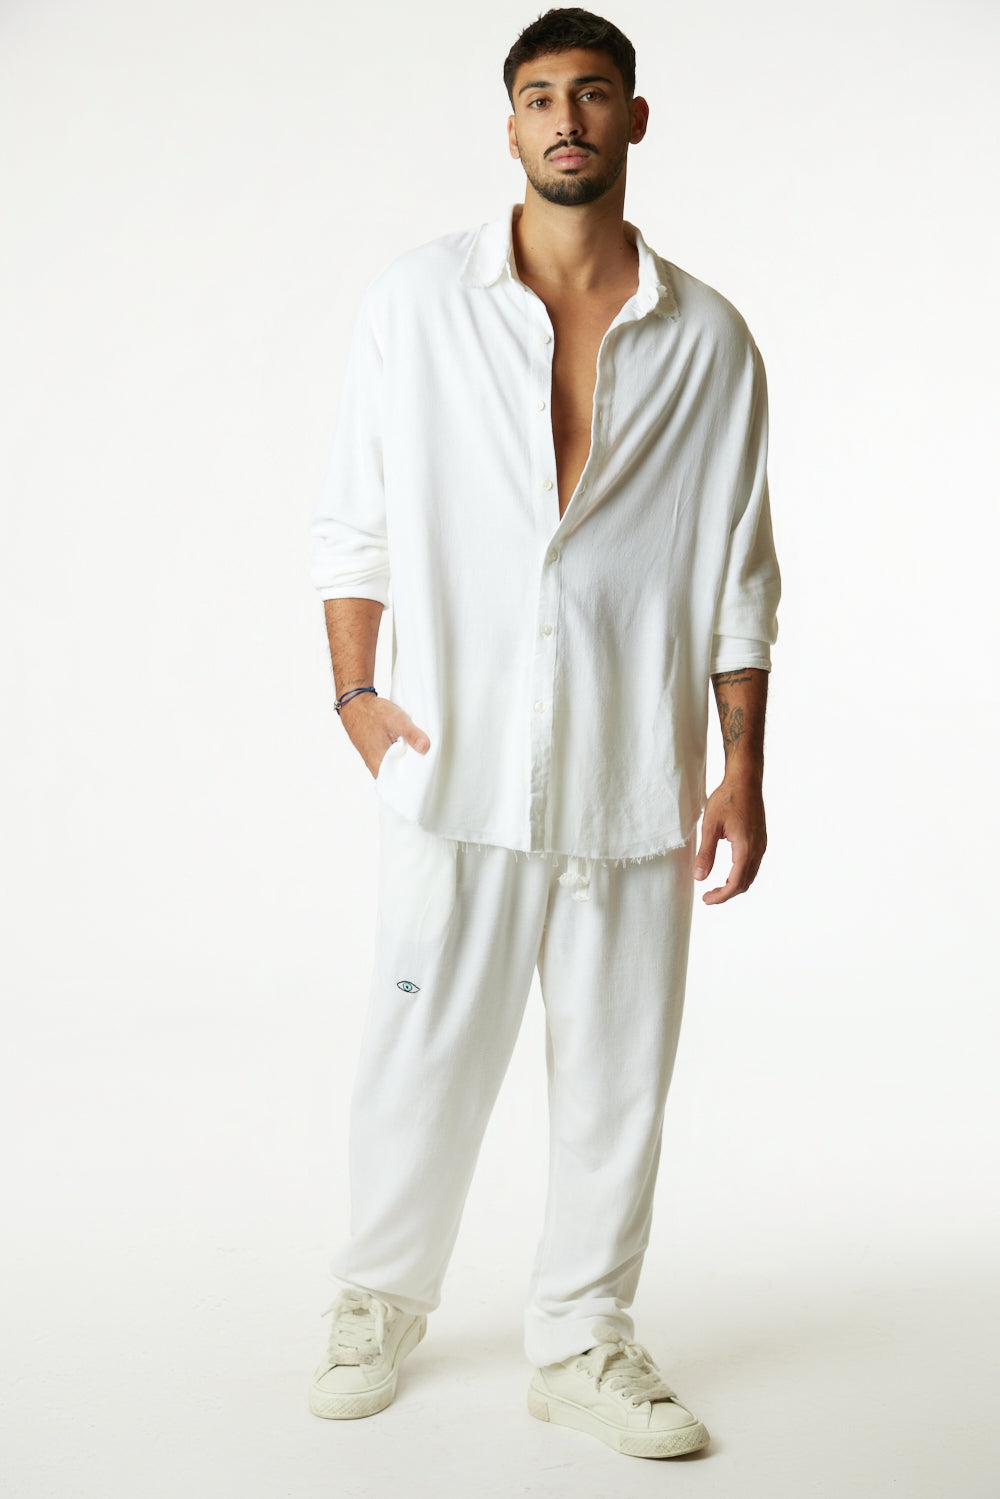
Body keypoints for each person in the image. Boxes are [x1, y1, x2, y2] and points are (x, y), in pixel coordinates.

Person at [306, 5, 780, 1462]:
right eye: (537, 95)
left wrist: (742, 766)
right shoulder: (418, 304)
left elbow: (738, 566)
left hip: (635, 773)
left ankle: (582, 1337)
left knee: (619, 1079)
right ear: (508, 123)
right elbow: (355, 520)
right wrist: (359, 700)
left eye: (591, 92)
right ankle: (378, 1299)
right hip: (454, 761)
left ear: (635, 117)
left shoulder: (709, 339)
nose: (565, 117)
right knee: (419, 1056)